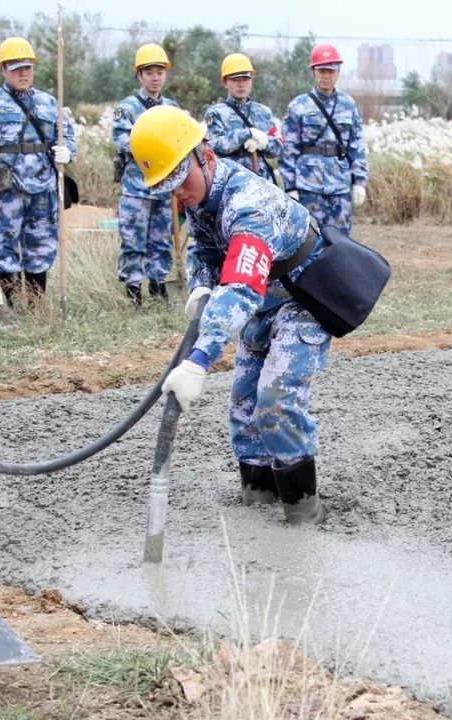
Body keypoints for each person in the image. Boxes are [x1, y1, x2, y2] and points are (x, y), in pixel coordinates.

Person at [130, 105, 333, 525]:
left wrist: (200, 359)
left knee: (275, 402)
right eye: (166, 186)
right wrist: (200, 284)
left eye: (179, 181)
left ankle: (303, 513)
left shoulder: (250, 207)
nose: (177, 194)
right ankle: (257, 505)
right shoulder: (201, 196)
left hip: (301, 300)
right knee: (244, 405)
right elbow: (203, 248)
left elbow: (240, 287)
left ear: (204, 156)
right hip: (263, 301)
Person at [0, 37, 76, 306]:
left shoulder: (49, 102)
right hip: (6, 188)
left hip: (42, 186)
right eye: (16, 68)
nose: (23, 73)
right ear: (3, 69)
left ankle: (35, 304)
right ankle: (11, 304)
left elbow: (65, 135)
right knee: (4, 245)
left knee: (40, 244)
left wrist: (67, 151)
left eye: (27, 67)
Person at [112, 43, 179, 306]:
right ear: (139, 75)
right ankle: (133, 291)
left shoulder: (171, 108)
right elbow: (122, 142)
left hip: (164, 186)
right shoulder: (127, 109)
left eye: (159, 72)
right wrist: (153, 143)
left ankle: (159, 286)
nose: (155, 77)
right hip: (136, 187)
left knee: (161, 241)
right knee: (133, 241)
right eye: (149, 72)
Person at [280, 42, 368, 234]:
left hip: (340, 186)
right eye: (322, 71)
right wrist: (290, 187)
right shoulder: (299, 106)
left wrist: (359, 182)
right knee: (309, 241)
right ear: (314, 72)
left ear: (338, 72)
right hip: (308, 187)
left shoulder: (348, 105)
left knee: (342, 243)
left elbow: (357, 146)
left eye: (331, 71)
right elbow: (288, 149)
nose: (326, 76)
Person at [203, 53, 283, 185]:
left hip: (262, 182)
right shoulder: (216, 113)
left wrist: (264, 142)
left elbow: (278, 147)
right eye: (235, 80)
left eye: (245, 79)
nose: (241, 84)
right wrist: (246, 134)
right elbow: (213, 145)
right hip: (230, 181)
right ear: (225, 82)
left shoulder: (264, 112)